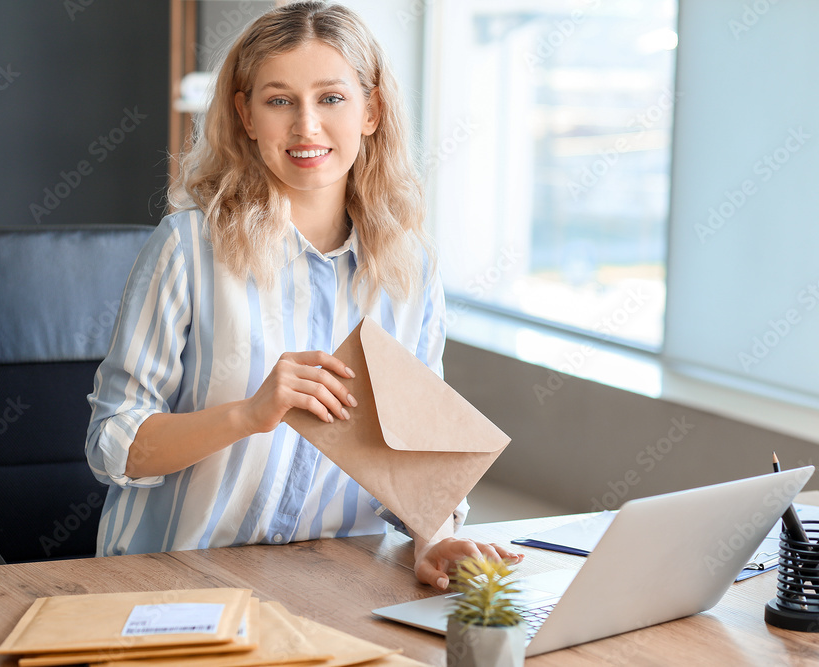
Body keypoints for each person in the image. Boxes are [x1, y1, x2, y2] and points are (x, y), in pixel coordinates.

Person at [85, 0, 520, 590]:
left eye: (332, 98)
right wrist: (247, 415)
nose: (306, 127)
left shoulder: (409, 268)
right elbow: (115, 445)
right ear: (245, 114)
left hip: (333, 584)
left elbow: (416, 458)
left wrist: (434, 537)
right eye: (280, 99)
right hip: (180, 583)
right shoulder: (187, 247)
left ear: (372, 110)